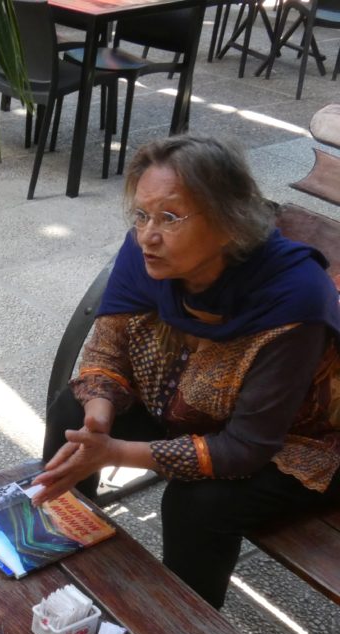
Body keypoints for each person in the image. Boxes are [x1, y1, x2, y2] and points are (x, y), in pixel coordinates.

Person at [34, 134, 340, 610]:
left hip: (292, 440)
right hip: (186, 403)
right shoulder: (148, 253)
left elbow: (246, 446)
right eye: (141, 215)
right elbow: (107, 352)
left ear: (227, 222)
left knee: (198, 504)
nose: (147, 235)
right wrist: (97, 427)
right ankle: (63, 560)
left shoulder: (294, 296)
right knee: (74, 410)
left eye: (169, 218)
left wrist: (116, 451)